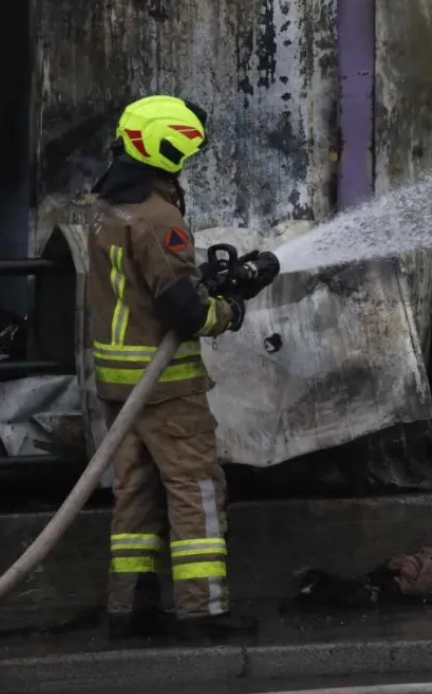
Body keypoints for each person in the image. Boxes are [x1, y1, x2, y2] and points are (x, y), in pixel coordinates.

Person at [88, 95, 278, 639]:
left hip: (120, 382)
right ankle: (204, 611)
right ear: (167, 150)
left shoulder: (106, 209)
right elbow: (186, 312)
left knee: (135, 492)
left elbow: (149, 292)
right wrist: (232, 310)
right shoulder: (158, 218)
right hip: (166, 385)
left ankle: (130, 610)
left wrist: (209, 281)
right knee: (196, 489)